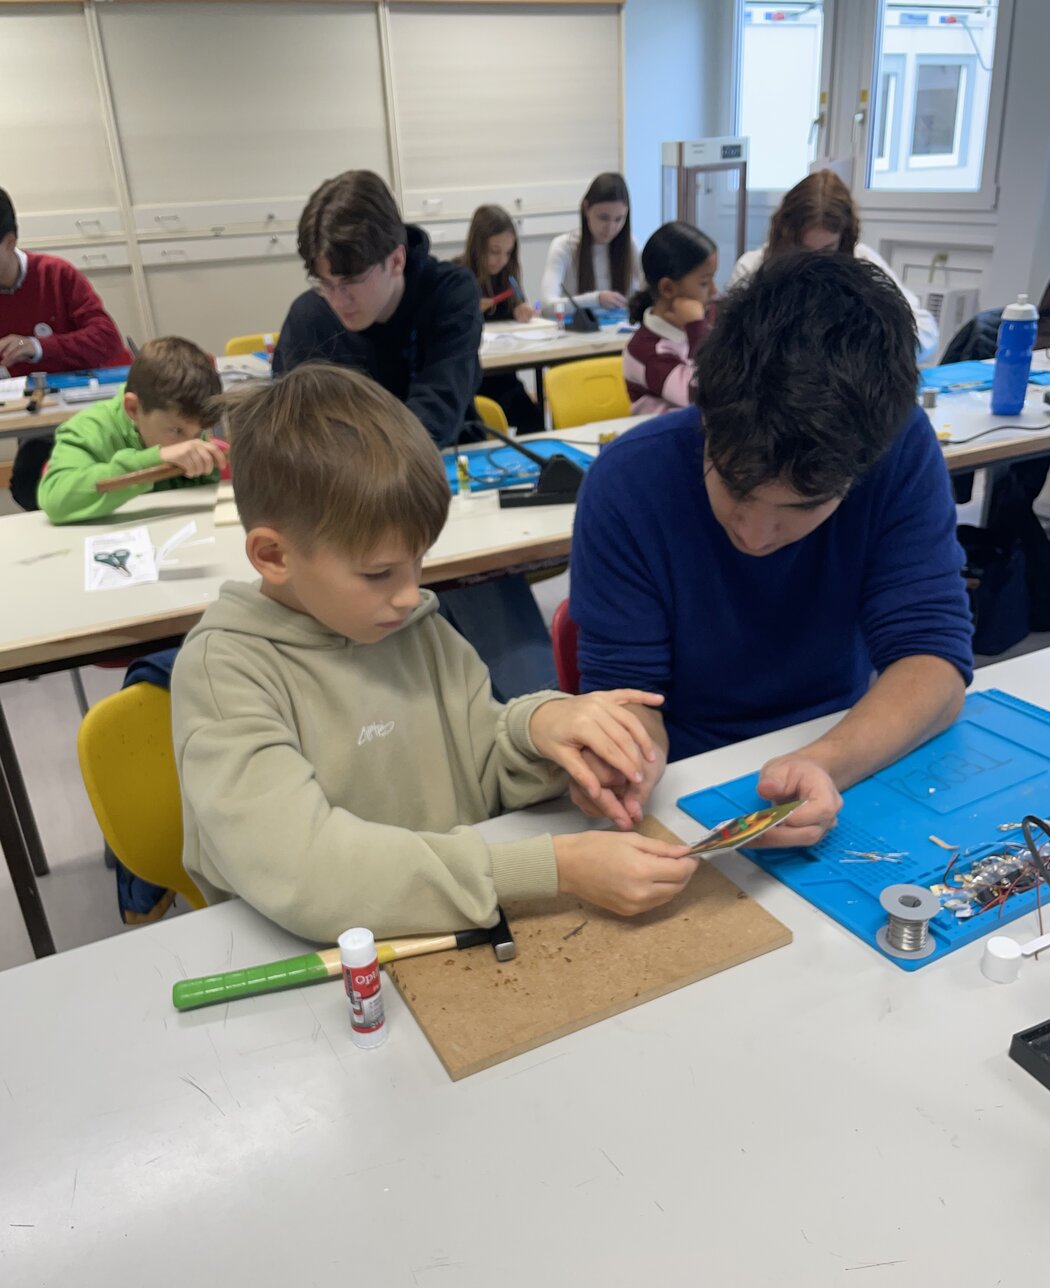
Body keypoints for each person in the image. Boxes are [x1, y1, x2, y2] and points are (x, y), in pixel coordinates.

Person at [171, 363, 698, 944]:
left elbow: (480, 769)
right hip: (309, 964)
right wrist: (554, 867)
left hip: (450, 933)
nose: (409, 593)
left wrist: (544, 734)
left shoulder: (411, 628)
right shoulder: (226, 673)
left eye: (418, 561)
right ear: (273, 556)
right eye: (378, 573)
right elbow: (309, 872)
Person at [569, 251, 973, 849]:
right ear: (706, 415)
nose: (755, 536)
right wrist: (624, 758)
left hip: (849, 737)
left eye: (801, 507)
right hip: (684, 770)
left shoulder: (899, 448)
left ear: (862, 469)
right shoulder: (628, 483)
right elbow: (628, 692)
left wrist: (825, 761)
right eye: (735, 488)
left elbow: (932, 658)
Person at [273, 170, 482, 449]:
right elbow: (290, 428)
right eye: (325, 283)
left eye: (351, 282)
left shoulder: (449, 294)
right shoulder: (309, 317)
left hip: (440, 462)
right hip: (343, 471)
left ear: (396, 261)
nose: (338, 300)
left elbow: (437, 413)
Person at [0, 185, 131, 509]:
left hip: (98, 406)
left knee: (116, 475)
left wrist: (36, 347)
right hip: (39, 417)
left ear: (10, 242)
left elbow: (106, 338)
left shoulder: (55, 274)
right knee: (30, 487)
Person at [729, 169, 938, 361]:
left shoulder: (863, 260)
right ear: (786, 236)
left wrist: (869, 355)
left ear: (844, 238)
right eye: (804, 249)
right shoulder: (752, 267)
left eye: (828, 248)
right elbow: (733, 349)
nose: (816, 261)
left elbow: (925, 331)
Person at [37, 337, 224, 524]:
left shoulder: (182, 426)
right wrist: (153, 459)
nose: (188, 445)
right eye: (176, 430)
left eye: (198, 433)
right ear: (133, 408)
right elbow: (55, 500)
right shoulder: (89, 429)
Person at [456, 204, 544, 433]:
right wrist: (467, 310)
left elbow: (517, 307)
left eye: (508, 253)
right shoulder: (456, 275)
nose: (501, 260)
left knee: (534, 421)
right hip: (472, 380)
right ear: (477, 246)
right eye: (494, 251)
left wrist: (521, 310)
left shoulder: (507, 276)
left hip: (505, 378)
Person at [624, 222, 717, 415]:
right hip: (661, 434)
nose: (714, 291)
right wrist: (695, 327)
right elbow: (700, 396)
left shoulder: (705, 327)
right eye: (704, 283)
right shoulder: (644, 350)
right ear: (667, 288)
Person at [540, 173, 641, 317]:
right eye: (603, 218)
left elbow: (650, 293)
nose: (611, 228)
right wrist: (596, 299)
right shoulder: (564, 246)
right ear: (586, 209)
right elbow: (547, 306)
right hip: (578, 330)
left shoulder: (631, 245)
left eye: (619, 219)